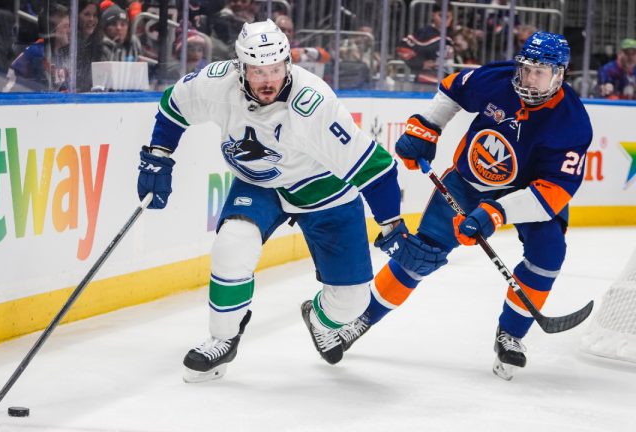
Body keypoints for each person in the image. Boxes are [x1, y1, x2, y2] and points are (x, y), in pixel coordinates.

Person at [136, 19, 446, 383]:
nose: (268, 80)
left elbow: (377, 168)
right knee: (232, 244)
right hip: (259, 183)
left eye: (275, 69)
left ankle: (318, 316)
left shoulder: (313, 106)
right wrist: (158, 155)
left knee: (351, 304)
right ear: (240, 69)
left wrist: (392, 225)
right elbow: (173, 106)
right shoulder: (217, 83)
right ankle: (223, 338)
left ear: (287, 63)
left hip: (325, 191)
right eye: (257, 71)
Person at [337, 31, 592, 381]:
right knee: (420, 254)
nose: (529, 79)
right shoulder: (498, 79)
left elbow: (553, 194)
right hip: (469, 181)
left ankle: (511, 335)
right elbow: (453, 87)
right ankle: (360, 320)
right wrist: (427, 127)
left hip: (526, 193)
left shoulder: (572, 123)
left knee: (548, 252)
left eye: (540, 72)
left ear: (560, 75)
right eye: (526, 69)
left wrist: (497, 212)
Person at [396, 4, 454, 84]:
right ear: (433, 16)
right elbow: (402, 48)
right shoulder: (424, 33)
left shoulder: (450, 35)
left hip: (445, 81)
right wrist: (419, 63)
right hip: (427, 80)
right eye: (441, 15)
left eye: (448, 17)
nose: (444, 19)